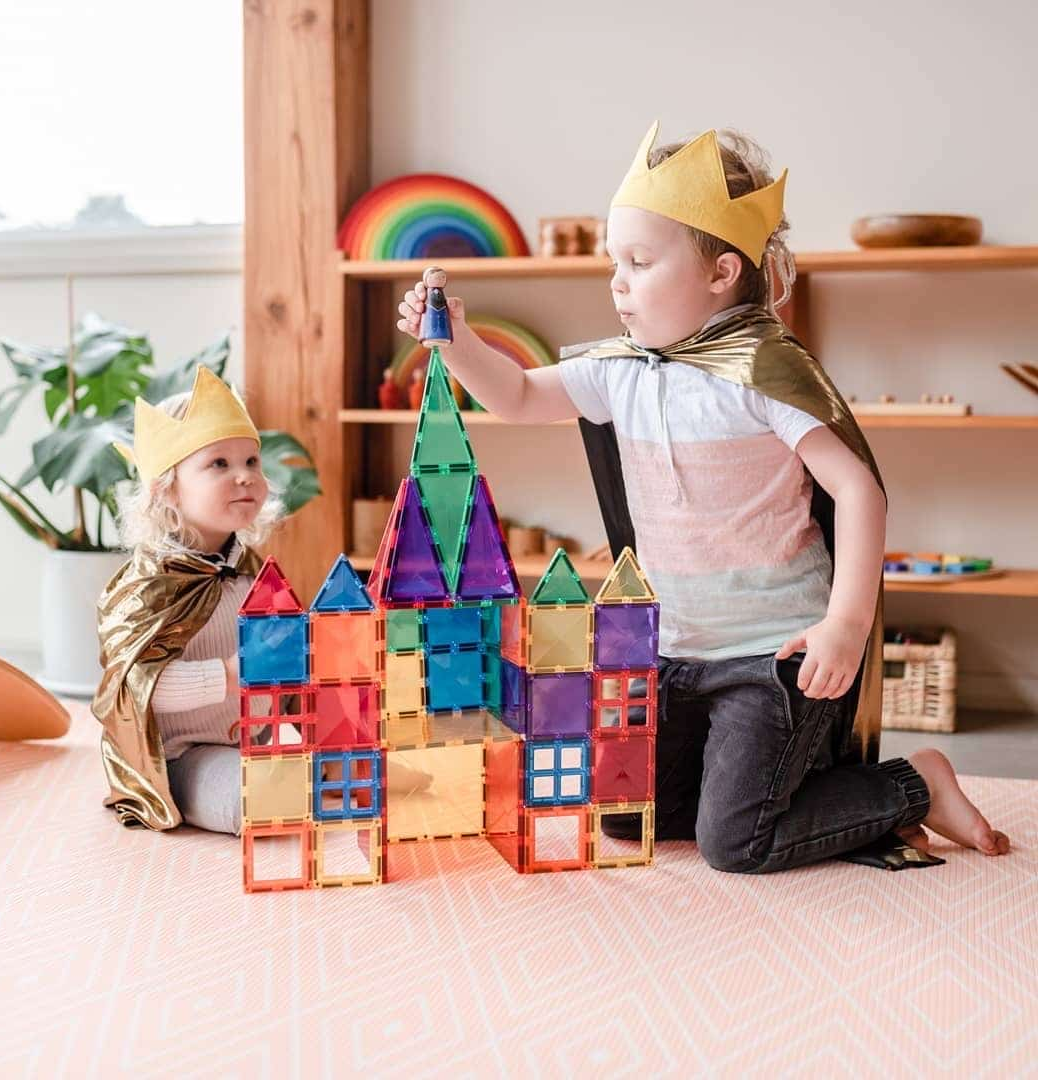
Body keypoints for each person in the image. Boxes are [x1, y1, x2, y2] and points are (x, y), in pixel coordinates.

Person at [396, 123, 1010, 872]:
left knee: (735, 843)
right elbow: (518, 396)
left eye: (640, 261)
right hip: (674, 650)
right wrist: (456, 342)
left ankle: (914, 784)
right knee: (626, 818)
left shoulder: (763, 374)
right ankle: (798, 789)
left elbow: (858, 488)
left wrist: (844, 626)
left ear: (721, 273)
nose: (617, 281)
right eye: (614, 262)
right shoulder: (621, 369)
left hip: (771, 653)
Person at [93, 366, 278, 834]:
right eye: (219, 464)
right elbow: (136, 687)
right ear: (167, 489)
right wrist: (229, 675)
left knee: (347, 762)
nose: (245, 476)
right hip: (180, 754)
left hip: (250, 738)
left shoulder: (247, 570)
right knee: (248, 799)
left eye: (251, 461)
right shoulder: (149, 586)